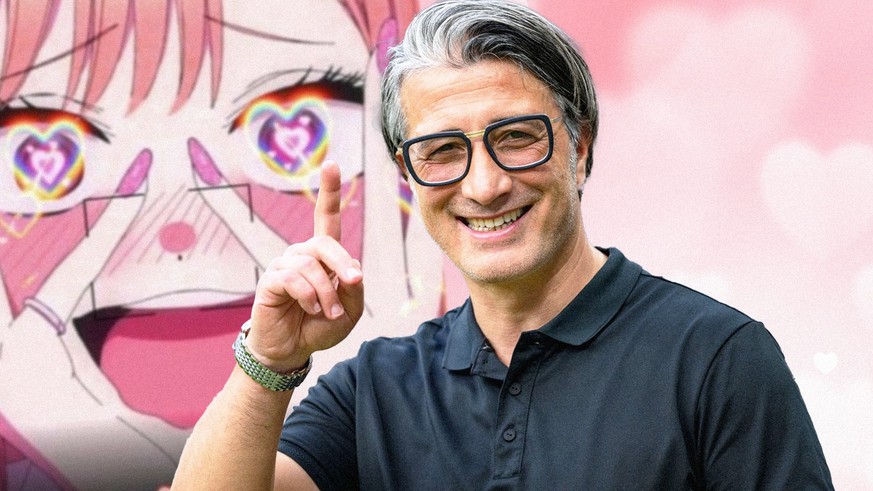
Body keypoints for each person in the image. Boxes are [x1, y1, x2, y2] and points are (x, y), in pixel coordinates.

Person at [173, 0, 834, 489]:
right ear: (407, 175)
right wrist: (268, 360)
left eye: (517, 138)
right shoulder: (375, 388)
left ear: (579, 146)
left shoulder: (715, 358)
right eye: (441, 150)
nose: (485, 185)